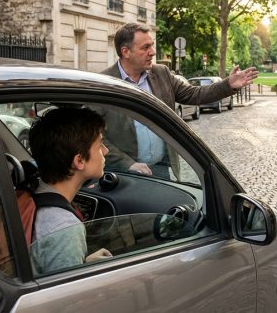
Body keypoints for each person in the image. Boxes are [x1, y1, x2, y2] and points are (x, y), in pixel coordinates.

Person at [100, 22, 258, 179]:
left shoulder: (161, 73)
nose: (153, 52)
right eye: (145, 48)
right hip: (123, 175)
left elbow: (194, 94)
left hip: (161, 169)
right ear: (126, 52)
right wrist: (127, 164)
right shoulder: (104, 83)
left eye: (152, 46)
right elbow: (95, 138)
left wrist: (228, 84)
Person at [27, 107, 112, 274]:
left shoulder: (33, 193)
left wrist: (83, 263)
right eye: (100, 145)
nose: (106, 151)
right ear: (79, 160)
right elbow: (69, 296)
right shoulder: (65, 228)